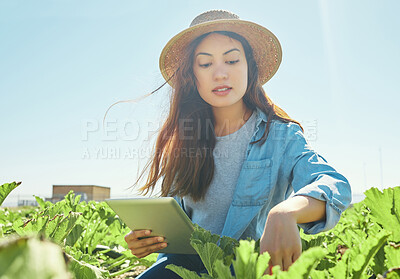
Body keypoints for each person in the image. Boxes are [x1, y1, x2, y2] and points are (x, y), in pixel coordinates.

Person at [123, 10, 352, 278]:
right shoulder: (186, 139)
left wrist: (286, 212)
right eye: (205, 64)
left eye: (232, 60)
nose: (220, 74)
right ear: (192, 75)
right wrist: (149, 239)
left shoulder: (281, 135)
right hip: (188, 268)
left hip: (249, 271)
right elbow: (177, 222)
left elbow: (334, 185)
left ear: (249, 67)